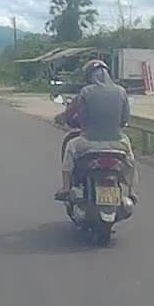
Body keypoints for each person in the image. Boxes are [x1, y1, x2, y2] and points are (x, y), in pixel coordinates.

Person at [53, 59, 136, 201]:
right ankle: (131, 191)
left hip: (89, 142)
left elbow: (80, 117)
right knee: (130, 159)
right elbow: (124, 120)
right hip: (117, 142)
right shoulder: (121, 92)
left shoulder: (86, 92)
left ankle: (66, 187)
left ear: (89, 76)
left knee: (70, 147)